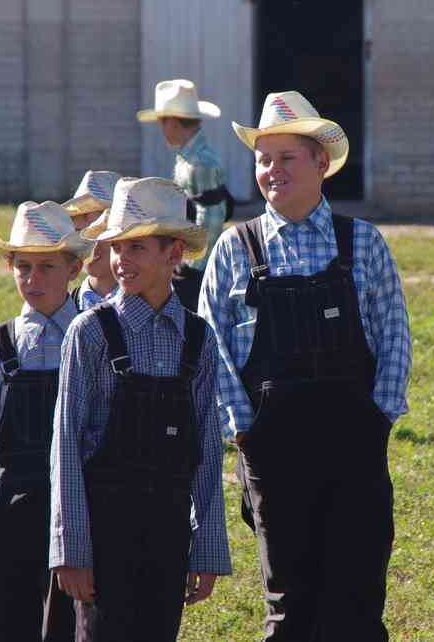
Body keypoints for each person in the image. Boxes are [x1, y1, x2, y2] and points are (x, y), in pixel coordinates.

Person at [199, 90, 411, 640]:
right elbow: (211, 347)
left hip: (354, 444)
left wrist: (379, 418)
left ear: (321, 163)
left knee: (357, 601)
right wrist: (244, 430)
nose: (272, 171)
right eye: (263, 160)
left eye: (286, 158)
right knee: (288, 606)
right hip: (273, 451)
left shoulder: (363, 243)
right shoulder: (234, 248)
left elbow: (394, 334)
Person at [50, 177, 231, 640]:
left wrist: (207, 548)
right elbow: (66, 445)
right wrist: (71, 550)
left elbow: (208, 449)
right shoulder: (89, 333)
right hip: (102, 535)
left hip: (168, 535)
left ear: (175, 253)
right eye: (116, 247)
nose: (121, 260)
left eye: (136, 248)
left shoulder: (199, 339)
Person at [0, 201, 89, 641]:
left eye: (48, 267)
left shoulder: (93, 337)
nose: (34, 279)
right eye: (23, 267)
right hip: (8, 518)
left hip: (77, 519)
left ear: (74, 268)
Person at [137, 79, 233, 311]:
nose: (161, 130)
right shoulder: (188, 157)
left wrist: (192, 265)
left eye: (162, 123)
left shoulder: (200, 162)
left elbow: (211, 218)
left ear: (171, 122)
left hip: (198, 270)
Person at [61, 171, 130, 311]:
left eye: (101, 232)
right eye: (80, 232)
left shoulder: (149, 306)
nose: (90, 244)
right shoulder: (63, 309)